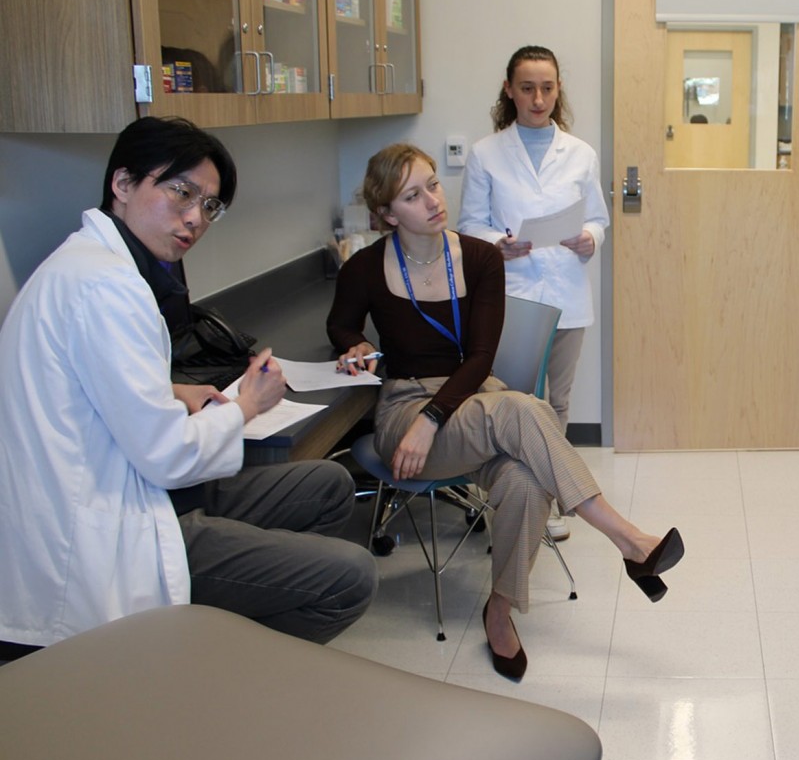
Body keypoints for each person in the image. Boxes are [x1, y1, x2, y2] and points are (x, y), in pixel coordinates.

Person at [0, 116, 377, 649]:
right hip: (102, 536)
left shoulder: (92, 264)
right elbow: (167, 456)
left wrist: (174, 392)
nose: (195, 218)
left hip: (128, 484)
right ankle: (211, 677)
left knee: (329, 486)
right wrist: (247, 404)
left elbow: (85, 384)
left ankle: (225, 623)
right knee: (349, 578)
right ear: (124, 184)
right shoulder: (105, 286)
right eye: (181, 192)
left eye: (209, 206)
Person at [329, 143, 683, 681]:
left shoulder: (479, 257)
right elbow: (340, 323)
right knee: (524, 410)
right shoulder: (364, 267)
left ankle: (500, 610)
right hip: (406, 410)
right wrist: (354, 343)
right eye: (412, 194)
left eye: (433, 184)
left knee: (523, 477)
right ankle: (630, 541)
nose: (432, 200)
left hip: (471, 396)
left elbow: (479, 359)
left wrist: (437, 419)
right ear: (385, 213)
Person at [458, 45, 611, 543]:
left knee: (557, 403)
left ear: (558, 89)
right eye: (527, 87)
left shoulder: (581, 153)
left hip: (566, 290)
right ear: (509, 90)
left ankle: (547, 496)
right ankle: (503, 494)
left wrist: (591, 237)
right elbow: (469, 226)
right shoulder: (486, 153)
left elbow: (598, 218)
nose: (538, 97)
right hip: (513, 296)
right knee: (509, 402)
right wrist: (495, 245)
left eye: (547, 87)